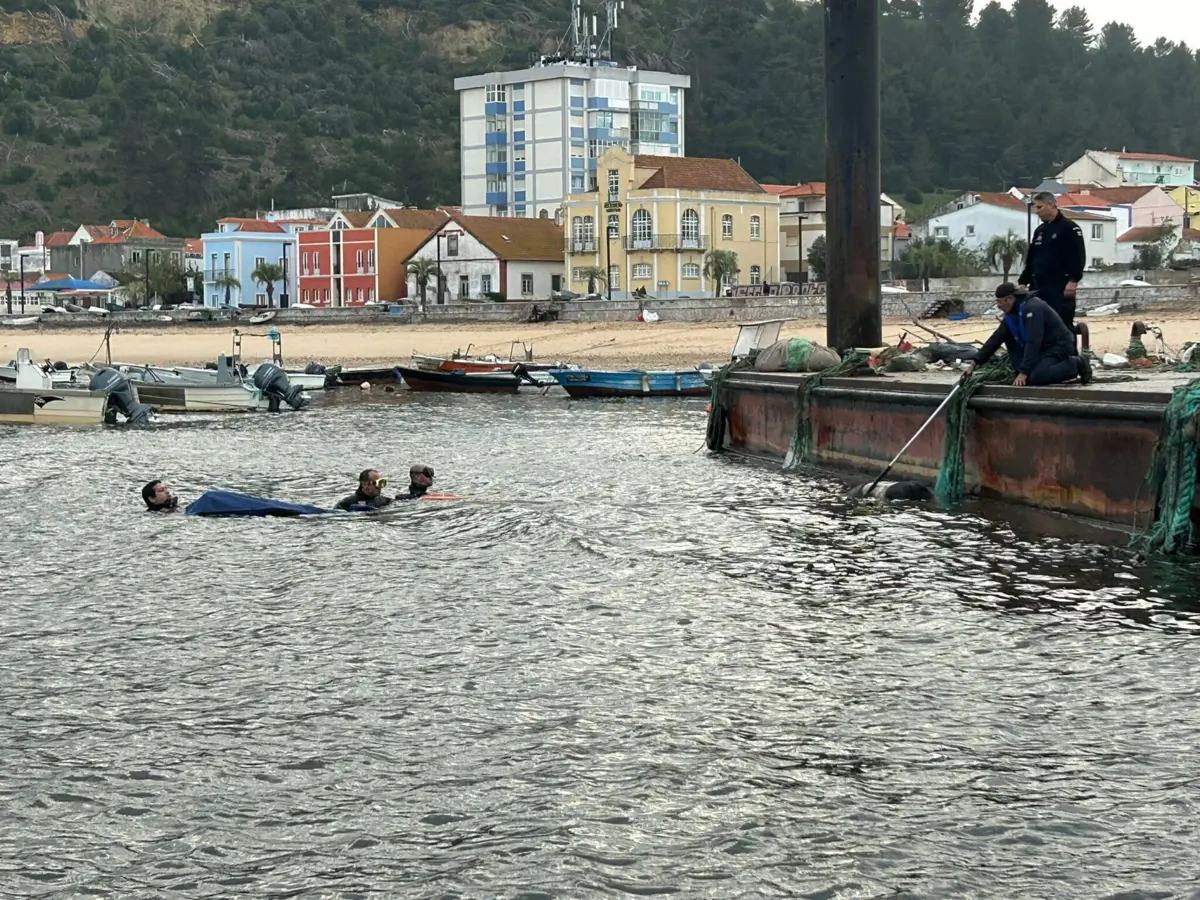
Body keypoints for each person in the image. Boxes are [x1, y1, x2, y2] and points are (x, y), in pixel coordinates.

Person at [965, 283, 1092, 387]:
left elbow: (1033, 341)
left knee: (1035, 377)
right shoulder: (1011, 314)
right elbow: (995, 339)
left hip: (1058, 345)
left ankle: (1076, 364)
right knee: (1025, 373)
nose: (998, 306)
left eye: (999, 302)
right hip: (1044, 348)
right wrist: (974, 363)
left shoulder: (1033, 308)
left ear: (1009, 299)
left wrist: (1024, 372)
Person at [1018, 191, 1086, 336]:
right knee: (1039, 324)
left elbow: (1078, 256)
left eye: (1040, 207)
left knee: (1062, 324)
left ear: (1052, 205)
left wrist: (1073, 280)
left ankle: (1068, 357)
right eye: (1036, 208)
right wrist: (1023, 281)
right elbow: (1032, 259)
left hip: (1059, 287)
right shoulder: (1040, 231)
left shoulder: (1070, 228)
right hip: (1038, 286)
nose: (1037, 212)